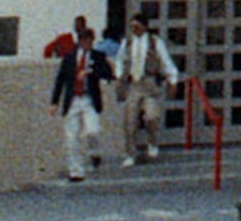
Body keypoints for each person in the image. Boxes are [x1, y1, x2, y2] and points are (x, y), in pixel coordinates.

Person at [112, 13, 182, 167]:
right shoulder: (127, 43)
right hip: (133, 85)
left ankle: (152, 142)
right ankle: (130, 153)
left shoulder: (155, 42)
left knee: (152, 117)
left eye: (137, 26)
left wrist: (173, 80)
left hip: (149, 83)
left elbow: (166, 61)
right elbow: (120, 60)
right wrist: (119, 77)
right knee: (130, 121)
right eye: (132, 27)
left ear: (145, 26)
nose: (134, 29)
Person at [46, 16, 107, 182]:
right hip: (73, 99)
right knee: (71, 137)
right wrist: (54, 102)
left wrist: (91, 72)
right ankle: (76, 171)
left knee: (92, 130)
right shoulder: (70, 58)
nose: (88, 45)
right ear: (80, 42)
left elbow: (108, 74)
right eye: (86, 41)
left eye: (91, 41)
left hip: (89, 99)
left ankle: (95, 152)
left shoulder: (98, 57)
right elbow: (61, 80)